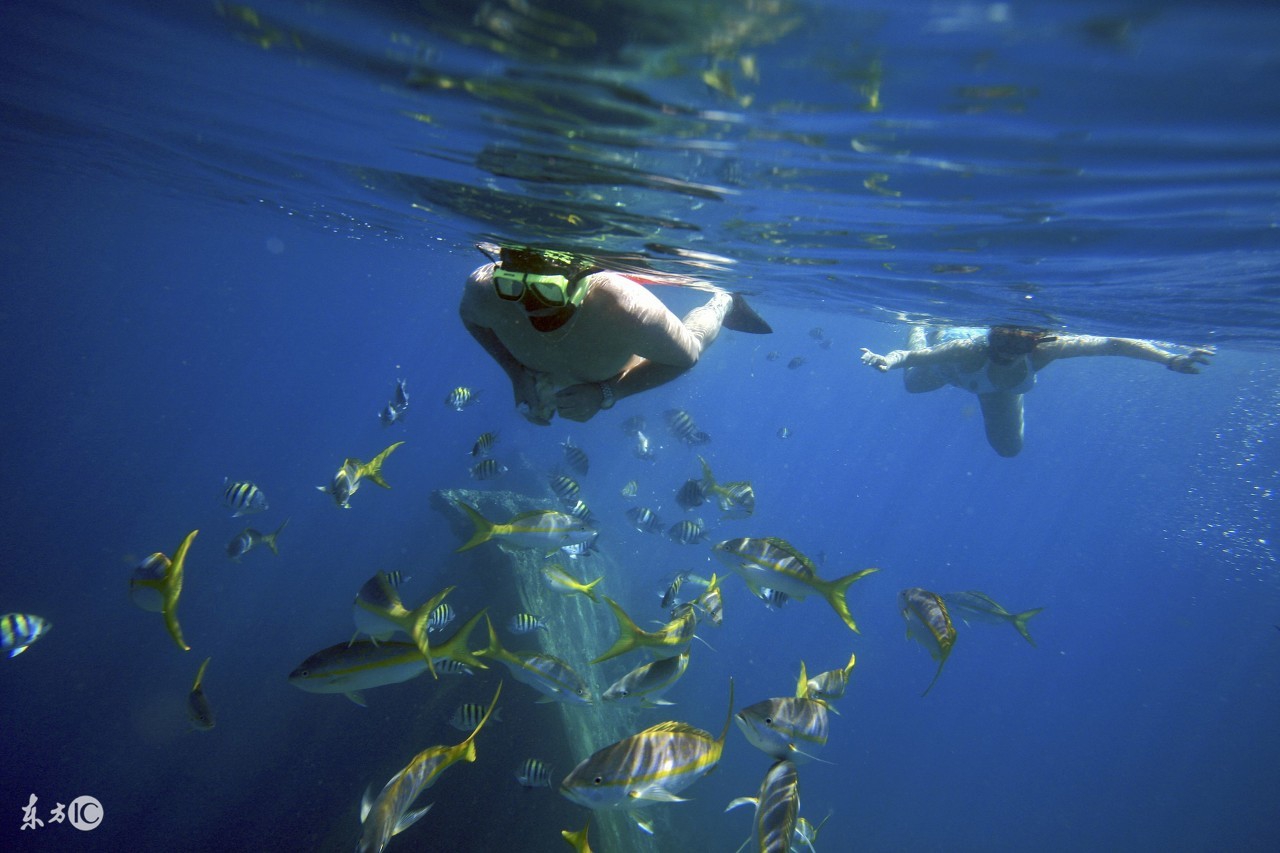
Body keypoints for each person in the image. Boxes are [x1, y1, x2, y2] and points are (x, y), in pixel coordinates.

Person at [460, 246, 772, 424]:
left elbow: (685, 359)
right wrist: (514, 373)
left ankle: (724, 301)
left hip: (625, 351)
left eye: (546, 292)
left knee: (691, 343)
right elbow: (472, 320)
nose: (529, 305)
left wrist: (608, 394)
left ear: (579, 285)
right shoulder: (485, 291)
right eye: (512, 286)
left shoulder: (624, 308)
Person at [860, 325, 1213, 457]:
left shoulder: (1047, 349)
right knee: (911, 386)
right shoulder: (969, 349)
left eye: (1011, 347)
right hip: (947, 370)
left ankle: (922, 327)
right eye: (997, 343)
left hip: (998, 393)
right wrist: (887, 361)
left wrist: (1169, 359)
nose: (1002, 350)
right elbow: (910, 356)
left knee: (1008, 448)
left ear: (1029, 346)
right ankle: (920, 324)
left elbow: (1113, 343)